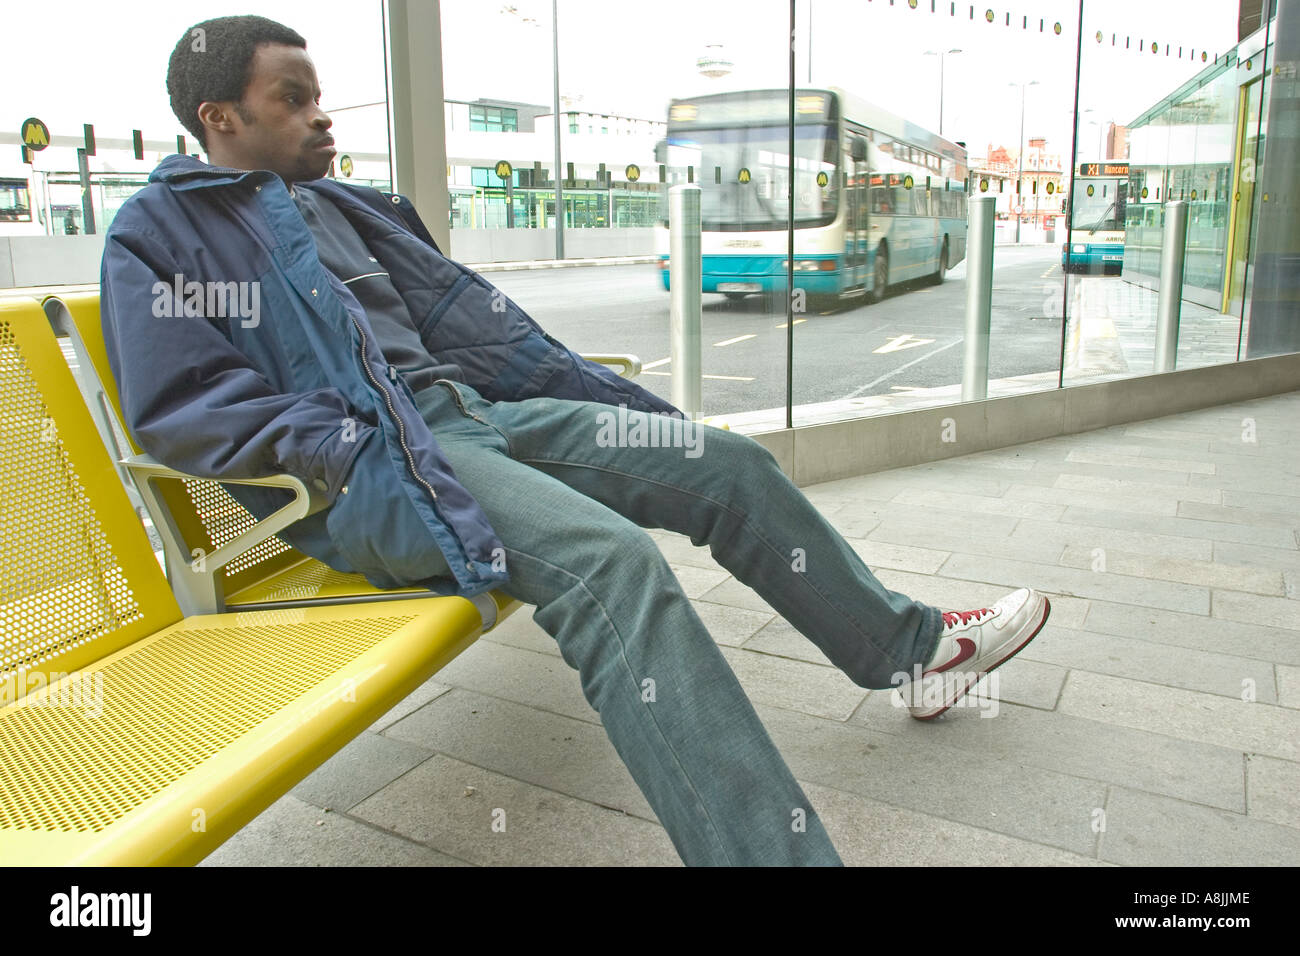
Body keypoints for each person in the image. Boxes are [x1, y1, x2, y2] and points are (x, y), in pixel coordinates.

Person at [101, 15, 1050, 867]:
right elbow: (185, 405)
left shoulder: (341, 205)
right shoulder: (160, 231)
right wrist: (345, 448)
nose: (322, 117)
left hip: (469, 420)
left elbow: (467, 331)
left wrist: (586, 395)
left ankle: (909, 652)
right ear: (219, 116)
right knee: (614, 566)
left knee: (725, 464)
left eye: (319, 96)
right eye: (293, 99)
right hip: (378, 471)